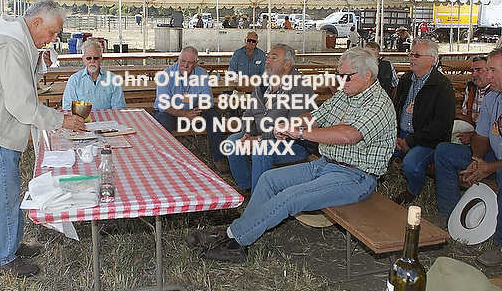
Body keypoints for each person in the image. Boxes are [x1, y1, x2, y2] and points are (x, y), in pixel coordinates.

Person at [187, 48, 396, 262]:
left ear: (367, 75)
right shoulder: (346, 95)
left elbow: (348, 135)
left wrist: (301, 132)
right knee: (268, 179)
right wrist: (290, 125)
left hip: (355, 177)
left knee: (290, 197)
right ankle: (238, 232)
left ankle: (233, 238)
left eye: (346, 76)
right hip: (325, 164)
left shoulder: (379, 103)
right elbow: (314, 116)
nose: (340, 81)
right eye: (338, 75)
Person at [0, 0, 86, 277]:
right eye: (52, 32)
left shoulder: (17, 37)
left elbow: (18, 81)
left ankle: (11, 244)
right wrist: (61, 120)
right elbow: (22, 105)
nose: (53, 39)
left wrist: (39, 63)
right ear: (36, 23)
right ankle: (2, 257)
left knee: (9, 190)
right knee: (4, 194)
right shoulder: (11, 46)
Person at [226, 44, 313, 195]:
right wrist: (247, 133)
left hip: (293, 143)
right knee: (233, 142)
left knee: (261, 149)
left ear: (287, 65)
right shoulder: (264, 83)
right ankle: (247, 186)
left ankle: (260, 197)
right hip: (262, 135)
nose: (267, 60)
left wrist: (258, 139)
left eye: (274, 58)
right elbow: (249, 112)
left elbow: (291, 128)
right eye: (268, 57)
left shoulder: (300, 87)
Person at [447, 47, 502, 266]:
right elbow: (481, 136)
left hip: (499, 163)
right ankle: (449, 214)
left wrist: (491, 167)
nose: (488, 76)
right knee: (444, 152)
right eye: (488, 70)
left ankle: (500, 244)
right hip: (495, 156)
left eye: (493, 70)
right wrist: (477, 160)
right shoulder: (492, 99)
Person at [392, 39, 456, 205]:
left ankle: (412, 191)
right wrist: (396, 136)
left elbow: (440, 124)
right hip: (402, 135)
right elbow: (395, 107)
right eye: (411, 54)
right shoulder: (406, 79)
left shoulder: (442, 86)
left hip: (429, 141)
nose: (412, 58)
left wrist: (410, 141)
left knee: (411, 165)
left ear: (431, 60)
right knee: (376, 149)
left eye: (417, 55)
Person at [433, 56, 492, 226]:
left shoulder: (495, 94)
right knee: (443, 150)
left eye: (479, 70)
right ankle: (449, 215)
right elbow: (467, 117)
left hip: (494, 151)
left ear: (491, 72)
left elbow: (494, 130)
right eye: (472, 70)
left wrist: (473, 135)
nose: (474, 74)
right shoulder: (472, 88)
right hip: (479, 145)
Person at [153, 46, 229, 172]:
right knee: (163, 119)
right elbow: (163, 105)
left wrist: (196, 112)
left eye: (190, 62)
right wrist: (185, 114)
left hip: (194, 113)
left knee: (214, 116)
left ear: (196, 62)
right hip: (172, 113)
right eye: (183, 61)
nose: (185, 65)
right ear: (178, 59)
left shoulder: (202, 74)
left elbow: (207, 101)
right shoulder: (166, 75)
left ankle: (219, 158)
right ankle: (163, 159)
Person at [61, 39, 126, 110]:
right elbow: (68, 107)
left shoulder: (113, 79)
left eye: (96, 58)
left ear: (101, 58)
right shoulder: (74, 80)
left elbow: (119, 106)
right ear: (83, 59)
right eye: (88, 58)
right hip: (81, 117)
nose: (92, 61)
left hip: (108, 117)